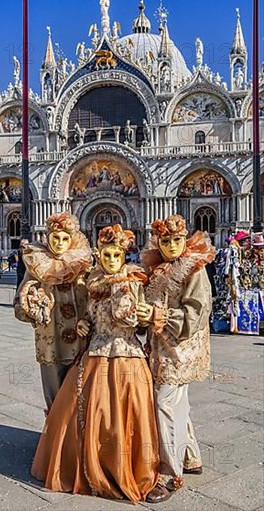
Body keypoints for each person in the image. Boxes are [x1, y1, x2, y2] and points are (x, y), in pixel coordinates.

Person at [31, 224, 159, 502]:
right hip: (94, 351)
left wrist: (146, 316)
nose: (111, 261)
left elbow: (142, 324)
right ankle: (81, 461)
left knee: (122, 413)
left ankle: (123, 464)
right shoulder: (93, 283)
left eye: (116, 255)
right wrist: (83, 324)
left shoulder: (135, 282)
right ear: (98, 255)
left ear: (124, 256)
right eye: (106, 255)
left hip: (126, 354)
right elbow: (91, 316)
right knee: (77, 410)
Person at [137, 214, 215, 503]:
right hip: (162, 348)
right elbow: (150, 304)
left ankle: (170, 474)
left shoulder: (193, 269)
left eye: (177, 240)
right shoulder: (158, 267)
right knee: (178, 403)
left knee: (164, 404)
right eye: (165, 241)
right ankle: (191, 456)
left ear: (185, 240)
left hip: (181, 350)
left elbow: (196, 314)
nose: (171, 246)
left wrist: (158, 315)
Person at [14, 212, 92, 410]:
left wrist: (89, 319)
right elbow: (19, 304)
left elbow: (97, 299)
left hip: (81, 338)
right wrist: (32, 307)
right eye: (55, 238)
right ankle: (54, 438)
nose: (60, 243)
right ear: (47, 237)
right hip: (50, 339)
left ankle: (76, 438)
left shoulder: (82, 264)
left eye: (65, 239)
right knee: (54, 395)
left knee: (80, 393)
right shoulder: (38, 265)